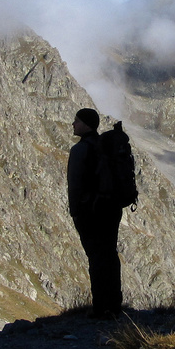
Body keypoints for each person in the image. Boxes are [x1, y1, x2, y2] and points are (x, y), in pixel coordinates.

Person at [67, 107, 122, 318]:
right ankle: (114, 305)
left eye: (77, 120)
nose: (73, 124)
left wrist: (77, 213)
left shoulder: (80, 150)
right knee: (110, 254)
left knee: (96, 257)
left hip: (90, 213)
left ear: (86, 124)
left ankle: (100, 308)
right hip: (112, 209)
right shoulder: (105, 147)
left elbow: (75, 185)